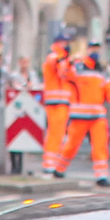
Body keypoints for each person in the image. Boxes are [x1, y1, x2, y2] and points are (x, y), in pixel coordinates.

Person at [51, 45, 110, 186]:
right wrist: (69, 60)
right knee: (71, 145)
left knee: (100, 147)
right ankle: (59, 169)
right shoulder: (78, 68)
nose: (95, 52)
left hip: (97, 116)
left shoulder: (102, 72)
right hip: (80, 116)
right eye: (92, 48)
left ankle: (102, 176)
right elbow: (64, 74)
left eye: (97, 49)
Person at [39, 40, 73, 176]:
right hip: (57, 102)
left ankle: (52, 163)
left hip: (59, 101)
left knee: (57, 134)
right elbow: (64, 73)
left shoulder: (57, 57)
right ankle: (50, 165)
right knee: (56, 134)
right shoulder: (56, 57)